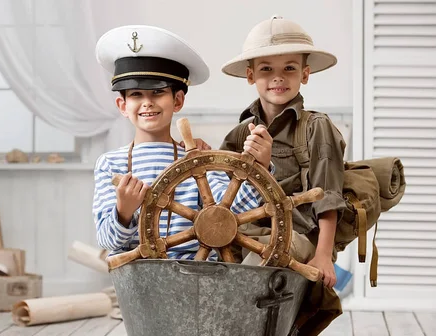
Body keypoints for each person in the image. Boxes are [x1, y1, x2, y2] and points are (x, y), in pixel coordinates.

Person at [93, 25, 273, 260]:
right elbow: (107, 241)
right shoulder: (110, 164)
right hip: (138, 282)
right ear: (123, 106)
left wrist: (261, 166)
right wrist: (124, 212)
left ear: (177, 100)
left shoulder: (198, 159)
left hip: (195, 277)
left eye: (157, 92)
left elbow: (233, 214)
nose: (147, 103)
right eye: (136, 94)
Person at [219, 15, 347, 289]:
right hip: (247, 230)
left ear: (304, 74)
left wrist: (324, 255)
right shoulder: (242, 131)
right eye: (266, 69)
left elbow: (328, 195)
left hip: (297, 235)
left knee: (253, 264)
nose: (278, 77)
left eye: (289, 68)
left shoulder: (316, 127)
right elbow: (219, 190)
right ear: (251, 75)